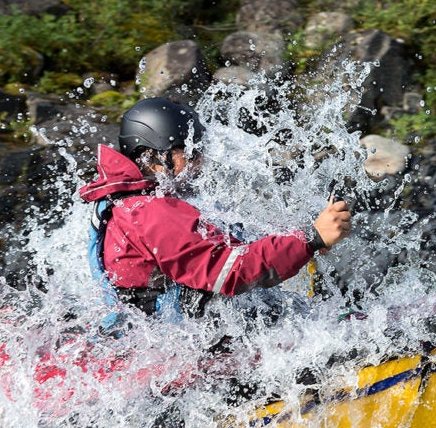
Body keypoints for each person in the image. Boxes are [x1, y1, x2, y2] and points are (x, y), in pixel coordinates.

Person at [79, 97, 352, 319]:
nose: (200, 163)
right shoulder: (150, 214)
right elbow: (231, 272)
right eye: (189, 153)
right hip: (180, 348)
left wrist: (301, 239)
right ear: (152, 158)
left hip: (168, 334)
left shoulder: (128, 203)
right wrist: (310, 239)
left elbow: (223, 248)